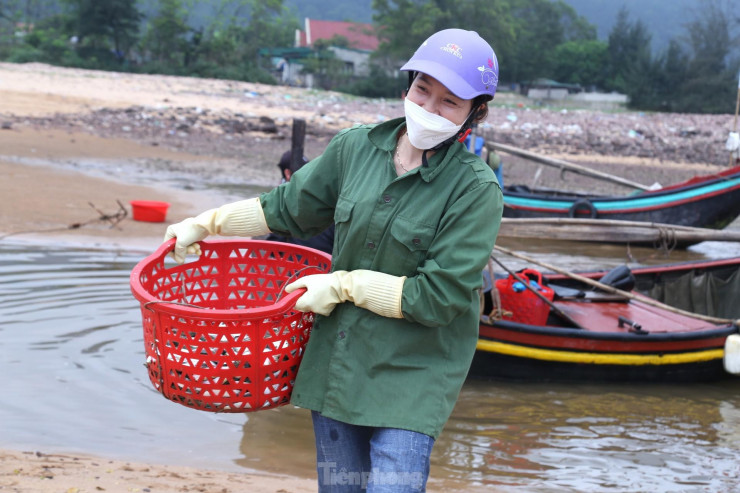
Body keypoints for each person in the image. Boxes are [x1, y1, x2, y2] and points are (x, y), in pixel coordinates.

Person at [163, 28, 503, 492]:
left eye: (450, 102)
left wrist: (343, 285)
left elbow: (438, 298)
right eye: (423, 89)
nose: (429, 108)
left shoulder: (476, 191)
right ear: (407, 86)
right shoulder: (355, 148)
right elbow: (285, 207)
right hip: (339, 363)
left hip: (414, 376)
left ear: (474, 113)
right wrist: (206, 223)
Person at [263, 150, 335, 254]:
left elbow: (274, 248)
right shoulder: (329, 199)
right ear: (287, 173)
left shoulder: (284, 203)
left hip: (300, 263)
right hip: (325, 260)